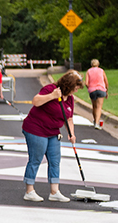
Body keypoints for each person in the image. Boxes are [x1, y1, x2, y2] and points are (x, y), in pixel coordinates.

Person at [21, 70, 83, 202]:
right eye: (75, 88)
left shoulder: (70, 99)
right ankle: (29, 190)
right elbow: (35, 101)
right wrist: (52, 96)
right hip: (36, 128)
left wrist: (71, 133)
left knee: (55, 160)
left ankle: (54, 191)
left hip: (53, 132)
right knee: (36, 159)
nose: (76, 91)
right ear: (68, 85)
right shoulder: (50, 89)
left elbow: (69, 119)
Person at [84, 59, 108, 129]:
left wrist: (89, 88)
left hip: (92, 90)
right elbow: (106, 81)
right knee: (99, 107)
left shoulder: (88, 71)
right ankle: (97, 123)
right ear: (98, 64)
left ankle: (95, 121)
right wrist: (106, 90)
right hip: (101, 89)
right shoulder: (101, 71)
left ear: (91, 64)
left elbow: (86, 83)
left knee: (94, 106)